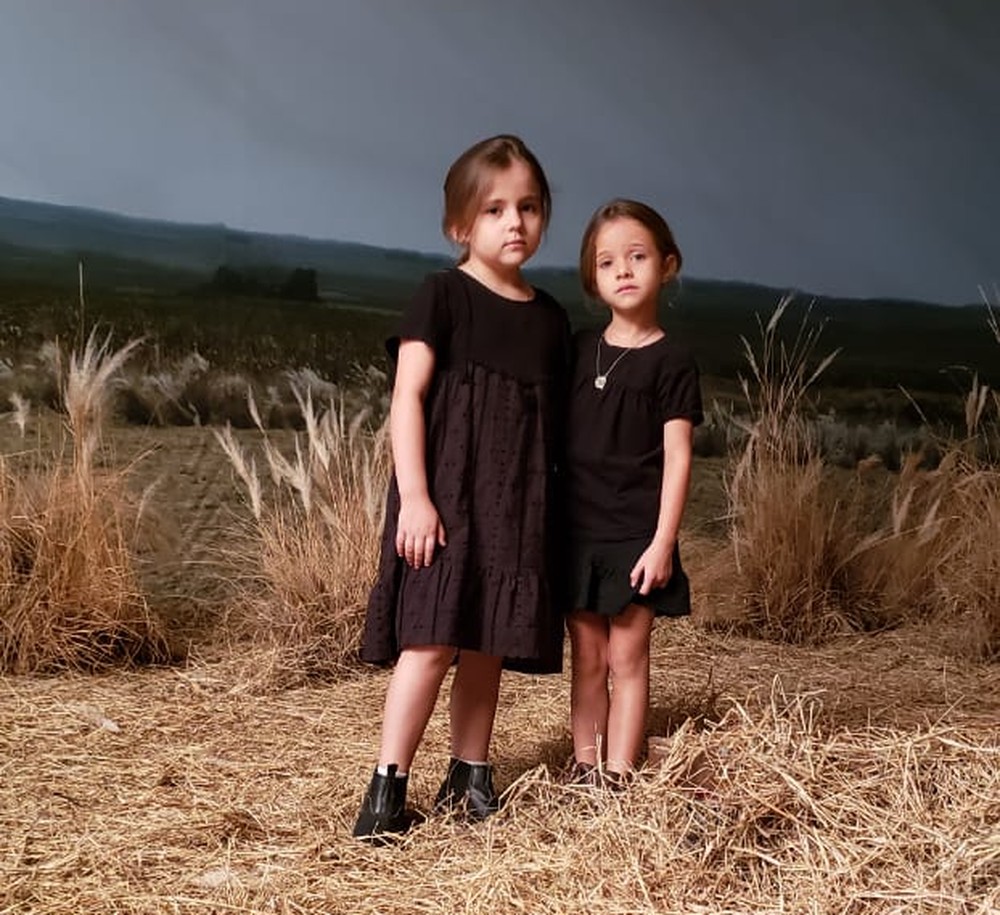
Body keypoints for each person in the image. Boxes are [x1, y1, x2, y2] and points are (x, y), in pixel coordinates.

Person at [353, 135, 570, 841]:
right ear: (460, 226)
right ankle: (388, 783)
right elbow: (407, 398)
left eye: (529, 207)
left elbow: (557, 428)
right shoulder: (442, 295)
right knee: (432, 640)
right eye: (496, 208)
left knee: (488, 641)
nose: (516, 223)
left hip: (518, 504)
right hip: (445, 499)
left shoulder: (550, 319)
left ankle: (469, 774)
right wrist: (415, 496)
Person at [565, 199, 703, 785]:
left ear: (666, 265)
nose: (623, 270)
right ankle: (585, 766)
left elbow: (678, 456)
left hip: (635, 535)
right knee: (588, 659)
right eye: (607, 262)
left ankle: (619, 775)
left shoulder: (671, 361)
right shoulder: (577, 349)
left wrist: (662, 542)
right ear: (593, 280)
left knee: (627, 656)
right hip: (577, 529)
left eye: (637, 257)